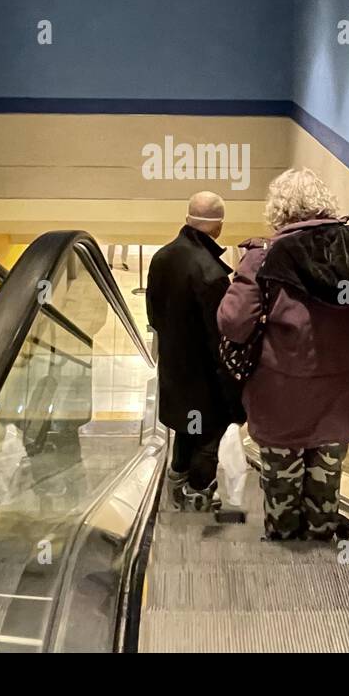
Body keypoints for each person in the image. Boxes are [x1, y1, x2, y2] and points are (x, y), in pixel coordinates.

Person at [217, 168, 349, 540]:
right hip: (346, 400)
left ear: (278, 212)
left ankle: (283, 548)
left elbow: (233, 323)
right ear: (324, 205)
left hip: (283, 400)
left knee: (281, 478)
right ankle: (321, 537)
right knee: (327, 475)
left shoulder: (264, 258)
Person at [146, 191, 242, 510]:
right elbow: (220, 339)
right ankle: (197, 495)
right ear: (218, 227)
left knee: (188, 426)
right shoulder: (211, 273)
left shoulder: (161, 257)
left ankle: (177, 480)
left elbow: (154, 316)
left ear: (188, 219)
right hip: (204, 380)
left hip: (175, 371)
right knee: (206, 437)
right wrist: (233, 388)